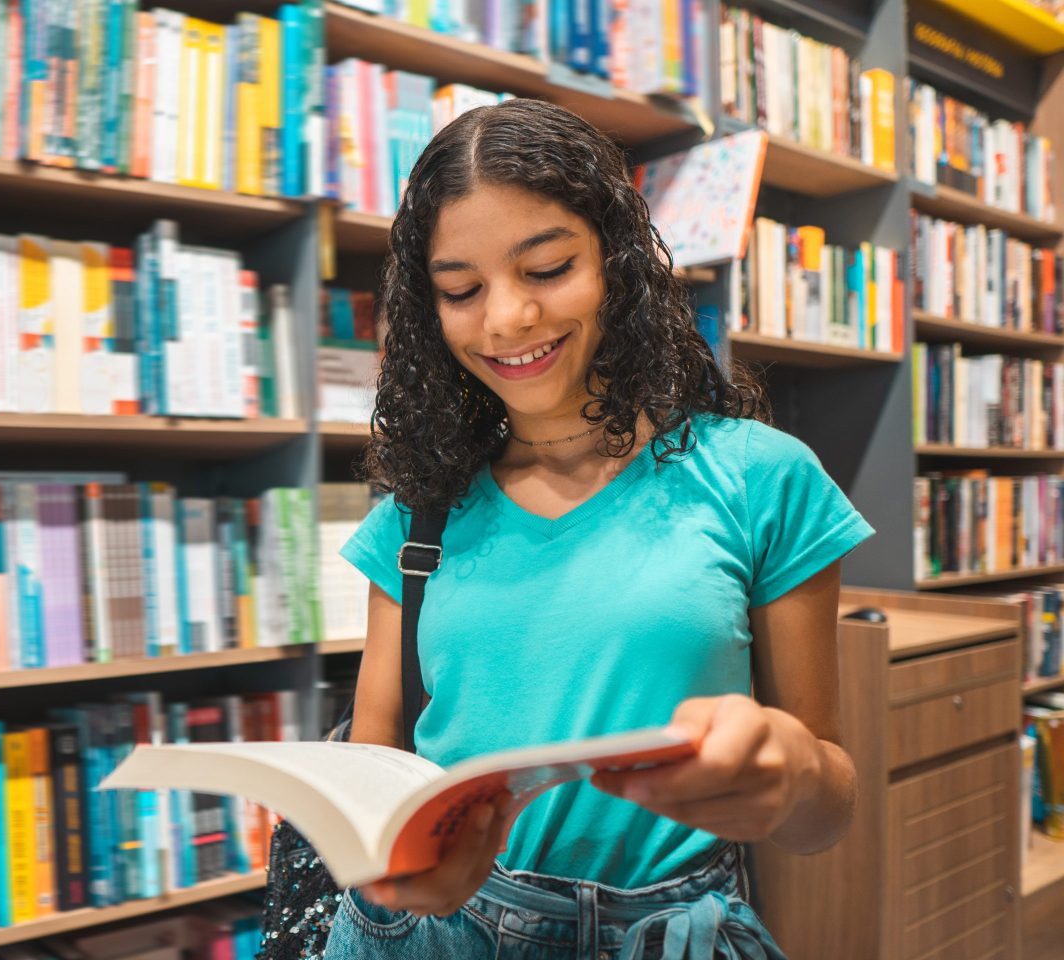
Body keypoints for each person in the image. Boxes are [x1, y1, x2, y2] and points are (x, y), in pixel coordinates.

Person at [324, 98, 873, 959]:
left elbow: (825, 812)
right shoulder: (416, 511)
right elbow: (372, 774)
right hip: (436, 934)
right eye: (461, 290)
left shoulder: (760, 477)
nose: (506, 318)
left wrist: (796, 770)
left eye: (546, 269)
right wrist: (390, 863)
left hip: (672, 929)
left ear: (615, 262)